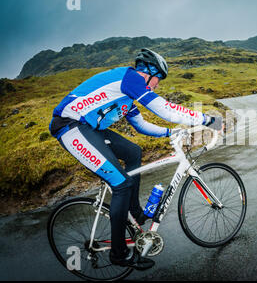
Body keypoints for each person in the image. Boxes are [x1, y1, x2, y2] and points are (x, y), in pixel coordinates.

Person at [49, 48, 222, 270]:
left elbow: (141, 125)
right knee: (121, 183)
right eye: (158, 79)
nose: (157, 84)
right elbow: (165, 109)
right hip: (70, 127)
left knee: (134, 152)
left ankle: (135, 212)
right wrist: (209, 120)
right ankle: (119, 254)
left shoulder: (126, 97)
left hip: (89, 128)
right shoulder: (129, 78)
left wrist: (170, 133)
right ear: (148, 72)